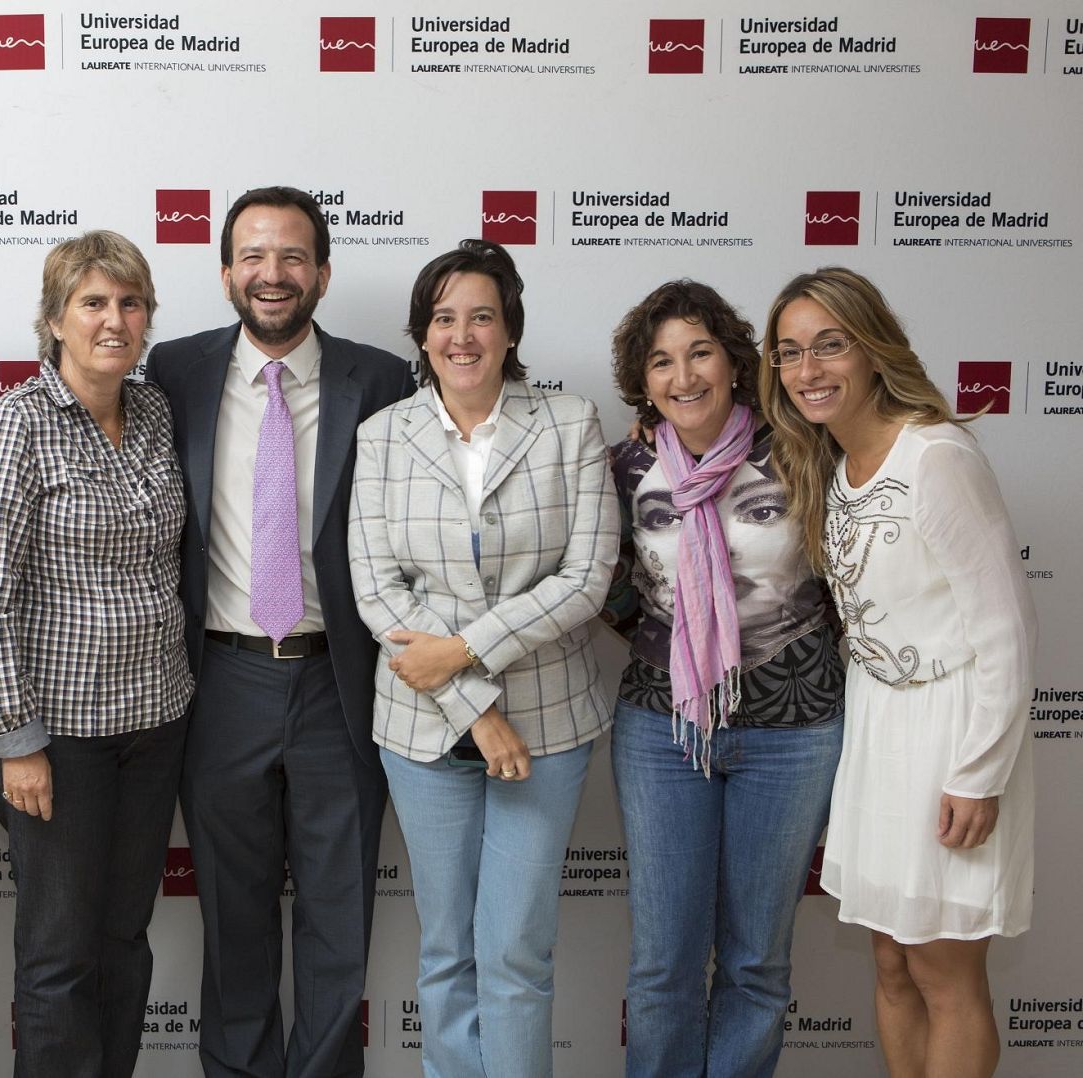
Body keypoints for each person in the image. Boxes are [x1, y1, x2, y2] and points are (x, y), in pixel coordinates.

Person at [144, 186, 415, 1077]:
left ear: (323, 274)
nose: (273, 274)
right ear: (225, 271)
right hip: (219, 681)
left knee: (339, 916)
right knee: (234, 912)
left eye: (293, 257)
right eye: (254, 256)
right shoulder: (173, 373)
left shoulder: (378, 380)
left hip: (339, 680)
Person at [347, 239, 617, 1078]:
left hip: (549, 725)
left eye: (481, 317)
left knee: (516, 954)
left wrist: (464, 650)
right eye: (443, 318)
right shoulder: (383, 435)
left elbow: (588, 577)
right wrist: (478, 707)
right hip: (423, 730)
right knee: (445, 952)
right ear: (422, 335)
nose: (462, 335)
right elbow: (377, 589)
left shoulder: (568, 422)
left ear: (510, 330)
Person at [762, 266, 1035, 1078]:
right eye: (788, 352)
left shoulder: (937, 457)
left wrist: (980, 773)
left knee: (945, 973)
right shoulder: (830, 467)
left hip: (952, 735)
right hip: (877, 732)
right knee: (890, 963)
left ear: (873, 348)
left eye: (828, 345)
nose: (807, 370)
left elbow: (1008, 631)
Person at [0, 230, 192, 1078]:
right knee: (58, 956)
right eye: (93, 303)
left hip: (156, 724)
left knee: (124, 940)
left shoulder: (157, 410)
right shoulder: (12, 428)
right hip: (58, 740)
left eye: (130, 303)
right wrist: (15, 742)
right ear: (54, 320)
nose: (114, 320)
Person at [603, 280, 845, 1077]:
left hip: (794, 728)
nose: (684, 377)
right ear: (643, 381)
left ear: (735, 363)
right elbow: (599, 581)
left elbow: (855, 573)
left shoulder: (806, 447)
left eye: (700, 352)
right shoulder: (628, 463)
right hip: (662, 726)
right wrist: (673, 639)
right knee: (664, 964)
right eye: (662, 362)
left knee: (755, 962)